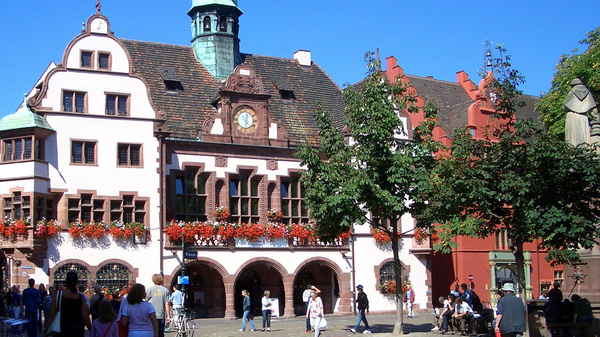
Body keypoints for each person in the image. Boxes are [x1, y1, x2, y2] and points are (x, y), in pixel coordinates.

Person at [46, 270, 92, 337]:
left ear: (66, 281)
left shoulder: (58, 294)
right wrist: (91, 329)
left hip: (61, 328)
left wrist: (46, 329)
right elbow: (85, 317)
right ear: (76, 282)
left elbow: (51, 314)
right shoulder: (81, 297)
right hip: (77, 330)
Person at [564, 78, 597, 147]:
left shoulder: (572, 92)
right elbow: (593, 111)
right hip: (583, 117)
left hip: (572, 117)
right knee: (583, 136)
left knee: (571, 138)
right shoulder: (588, 93)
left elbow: (564, 107)